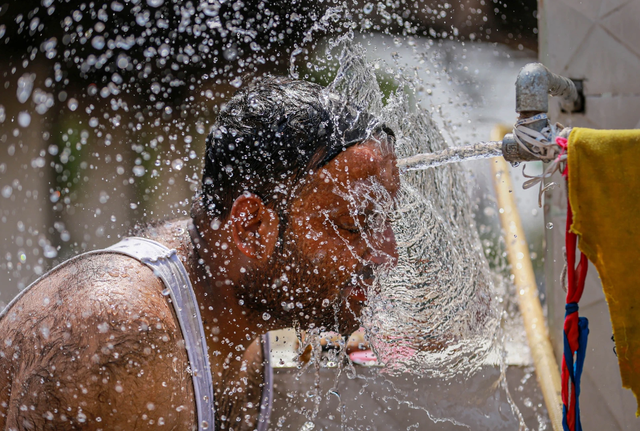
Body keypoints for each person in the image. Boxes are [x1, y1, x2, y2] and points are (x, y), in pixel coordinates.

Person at [0, 77, 400, 431]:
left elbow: (317, 353)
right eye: (353, 224)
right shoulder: (124, 339)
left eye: (386, 223)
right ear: (252, 227)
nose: (388, 253)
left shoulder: (240, 316)